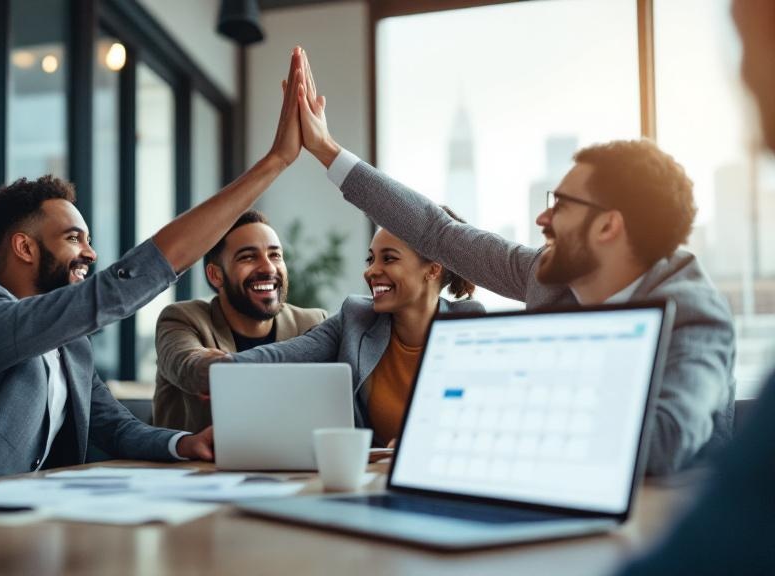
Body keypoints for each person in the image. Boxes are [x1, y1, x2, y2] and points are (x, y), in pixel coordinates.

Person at [288, 50, 735, 476]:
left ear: (607, 227)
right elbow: (438, 232)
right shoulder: (545, 277)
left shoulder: (693, 313)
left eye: (560, 205)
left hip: (663, 531)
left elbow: (667, 438)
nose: (542, 218)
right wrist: (327, 150)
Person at [0, 48, 311, 487]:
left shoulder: (69, 346)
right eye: (73, 238)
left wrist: (183, 443)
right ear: (24, 247)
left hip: (32, 522)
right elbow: (110, 293)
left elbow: (115, 427)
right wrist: (275, 162)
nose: (90, 253)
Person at [614, 0, 775, 572]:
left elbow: (716, 542)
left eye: (748, 39)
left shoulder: (692, 306)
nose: (743, 74)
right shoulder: (558, 283)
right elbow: (452, 237)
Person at [189, 223, 483, 446]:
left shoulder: (468, 324)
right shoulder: (357, 317)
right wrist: (226, 368)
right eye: (371, 260)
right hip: (371, 484)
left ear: (432, 269)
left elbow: (480, 418)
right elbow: (290, 353)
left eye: (388, 259)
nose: (371, 272)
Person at [153, 209, 327, 433]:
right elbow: (189, 367)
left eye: (275, 255)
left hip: (291, 465)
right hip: (199, 466)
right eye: (248, 257)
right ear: (216, 275)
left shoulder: (311, 323)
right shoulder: (182, 319)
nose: (268, 267)